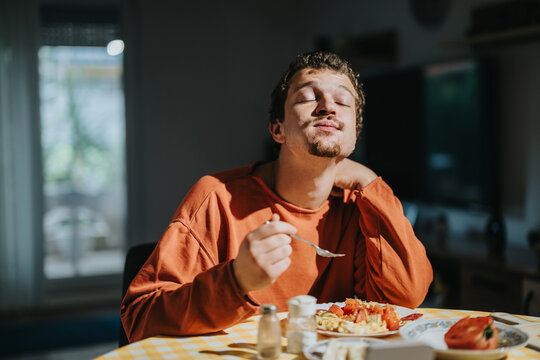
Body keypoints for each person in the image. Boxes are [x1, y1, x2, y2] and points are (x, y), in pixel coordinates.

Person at [120, 51, 433, 342]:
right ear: (277, 129)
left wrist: (370, 181)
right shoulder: (217, 197)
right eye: (308, 96)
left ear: (354, 134)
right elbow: (140, 318)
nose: (328, 106)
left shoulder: (361, 206)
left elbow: (403, 300)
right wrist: (236, 280)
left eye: (343, 101)